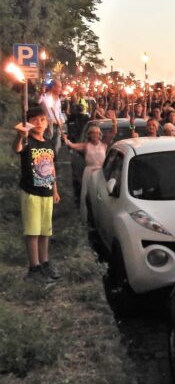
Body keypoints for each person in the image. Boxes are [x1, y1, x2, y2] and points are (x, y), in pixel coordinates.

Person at [13, 107, 61, 282]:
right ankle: (34, 267)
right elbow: (17, 148)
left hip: (47, 192)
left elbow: (51, 167)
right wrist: (20, 135)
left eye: (42, 119)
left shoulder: (48, 142)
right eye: (34, 120)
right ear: (28, 123)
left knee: (45, 231)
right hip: (31, 193)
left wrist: (55, 190)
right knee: (33, 232)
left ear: (47, 122)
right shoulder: (27, 141)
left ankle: (44, 262)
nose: (39, 123)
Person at [63, 113, 117, 221]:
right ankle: (87, 218)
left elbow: (113, 133)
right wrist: (66, 140)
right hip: (89, 172)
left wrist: (114, 122)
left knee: (102, 195)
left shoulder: (104, 144)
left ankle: (102, 217)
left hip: (101, 173)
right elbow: (72, 145)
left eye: (97, 133)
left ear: (100, 135)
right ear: (90, 135)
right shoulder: (86, 146)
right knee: (87, 196)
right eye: (93, 133)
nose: (95, 135)